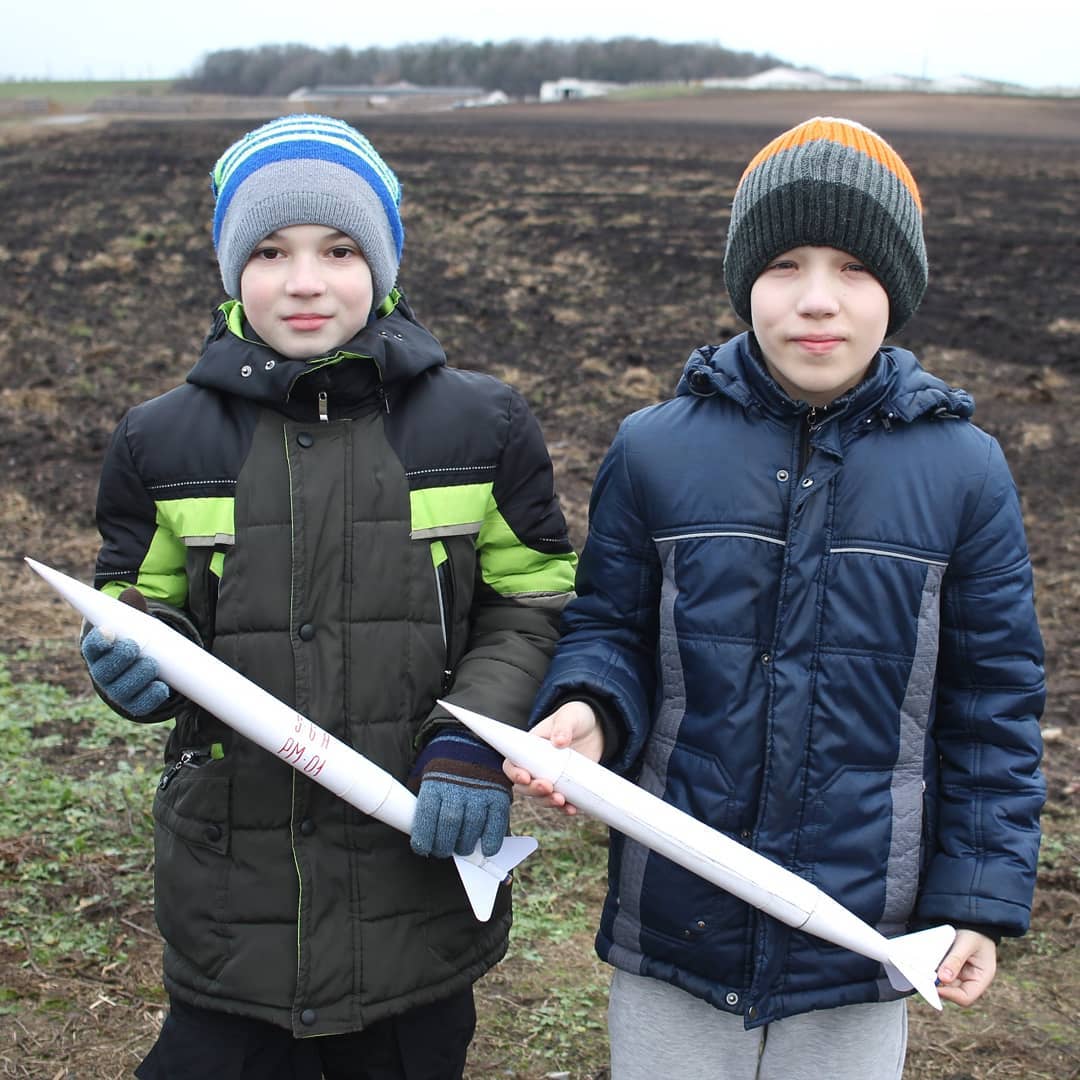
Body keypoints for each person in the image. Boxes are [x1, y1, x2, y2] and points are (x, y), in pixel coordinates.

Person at [508, 116, 1046, 1080]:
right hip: (678, 925)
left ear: (898, 288)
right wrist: (590, 707)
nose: (817, 299)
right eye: (785, 264)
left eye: (854, 268)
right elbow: (609, 631)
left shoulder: (966, 473)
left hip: (859, 941)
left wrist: (975, 898)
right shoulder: (654, 449)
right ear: (744, 280)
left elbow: (992, 704)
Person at [79, 113, 577, 1079]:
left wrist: (471, 740)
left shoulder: (480, 423)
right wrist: (133, 657)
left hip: (412, 881)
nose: (304, 281)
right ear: (232, 267)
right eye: (270, 251)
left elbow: (533, 603)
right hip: (233, 890)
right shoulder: (159, 440)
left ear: (381, 266)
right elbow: (136, 599)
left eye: (339, 250)